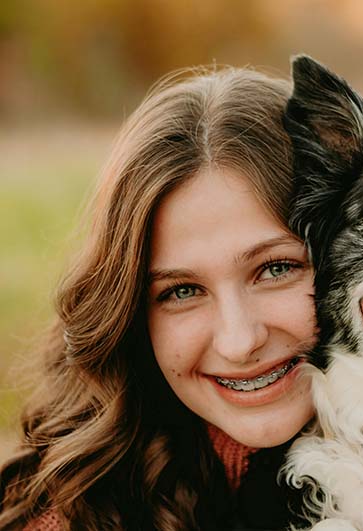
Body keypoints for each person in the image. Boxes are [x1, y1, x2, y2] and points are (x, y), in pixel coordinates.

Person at [0, 66, 317, 530]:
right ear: (130, 314)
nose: (239, 341)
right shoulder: (74, 516)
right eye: (182, 291)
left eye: (276, 269)